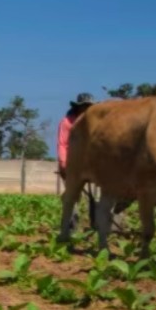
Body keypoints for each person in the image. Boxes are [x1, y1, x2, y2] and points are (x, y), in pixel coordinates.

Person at [57, 93, 97, 228]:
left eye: (89, 107)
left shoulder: (96, 122)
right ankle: (71, 225)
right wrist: (63, 163)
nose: (86, 109)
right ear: (78, 107)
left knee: (101, 195)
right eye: (84, 106)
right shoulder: (67, 122)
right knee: (72, 195)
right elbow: (62, 143)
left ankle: (99, 222)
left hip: (91, 162)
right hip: (72, 162)